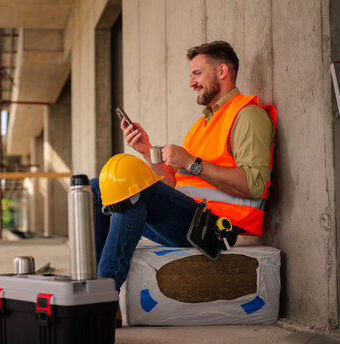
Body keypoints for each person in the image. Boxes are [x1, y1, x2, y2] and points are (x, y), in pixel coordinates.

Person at [91, 40, 277, 293]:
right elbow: (171, 185)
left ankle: (103, 296)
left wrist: (191, 162)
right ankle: (93, 286)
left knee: (129, 185)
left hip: (214, 231)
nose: (191, 83)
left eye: (197, 74)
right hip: (189, 220)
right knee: (95, 188)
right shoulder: (202, 126)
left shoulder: (247, 115)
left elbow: (253, 184)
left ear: (222, 72)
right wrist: (147, 150)